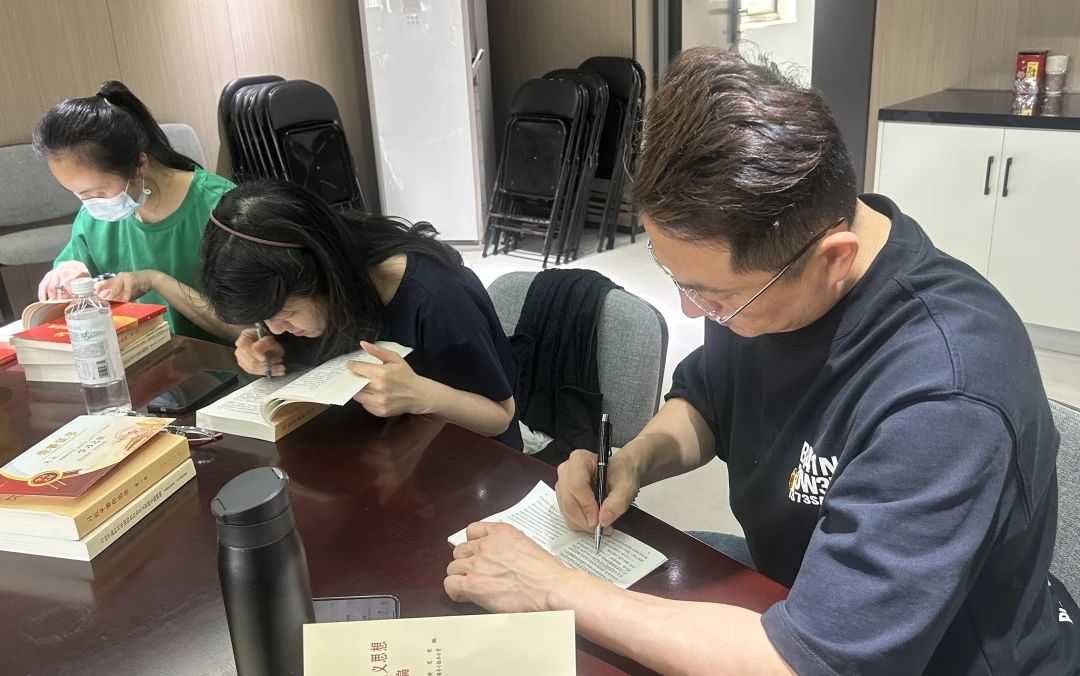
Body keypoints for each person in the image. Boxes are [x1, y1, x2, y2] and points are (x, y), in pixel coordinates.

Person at [443, 47, 1080, 674]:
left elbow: (815, 663)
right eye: (677, 280)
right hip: (792, 592)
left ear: (833, 258)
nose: (692, 311)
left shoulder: (946, 396)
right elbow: (707, 401)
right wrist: (635, 461)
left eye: (712, 296)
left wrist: (553, 589)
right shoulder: (772, 273)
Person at [199, 180, 522, 450]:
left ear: (326, 276)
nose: (276, 328)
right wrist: (267, 345)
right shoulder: (317, 285)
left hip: (468, 459)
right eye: (264, 319)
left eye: (287, 313)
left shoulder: (437, 299)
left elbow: (500, 417)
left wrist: (422, 395)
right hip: (380, 447)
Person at [33, 80, 237, 343]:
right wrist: (70, 273)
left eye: (97, 192)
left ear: (140, 164)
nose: (88, 204)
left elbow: (251, 330)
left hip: (220, 360)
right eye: (77, 194)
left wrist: (156, 280)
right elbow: (74, 279)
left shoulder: (219, 207)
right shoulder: (93, 220)